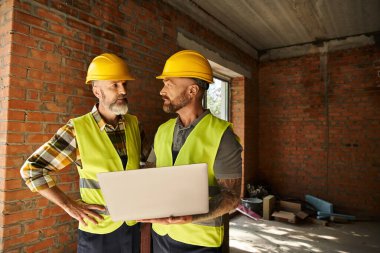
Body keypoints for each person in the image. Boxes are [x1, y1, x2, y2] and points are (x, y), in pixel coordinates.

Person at [20, 53, 142, 253]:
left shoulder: (134, 124)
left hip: (131, 225)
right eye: (114, 85)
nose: (123, 91)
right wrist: (69, 205)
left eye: (124, 84)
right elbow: (32, 169)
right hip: (98, 230)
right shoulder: (77, 130)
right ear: (97, 91)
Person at [142, 50, 242, 252]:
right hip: (161, 233)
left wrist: (193, 216)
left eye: (168, 84)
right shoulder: (163, 130)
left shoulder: (222, 135)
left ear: (192, 91)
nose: (162, 91)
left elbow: (231, 197)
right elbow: (151, 175)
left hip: (199, 241)